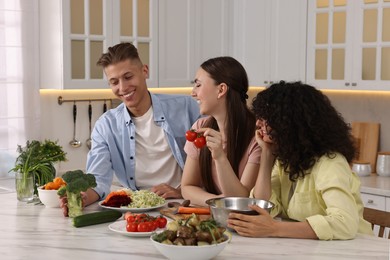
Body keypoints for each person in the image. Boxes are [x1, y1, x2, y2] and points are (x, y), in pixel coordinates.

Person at [60, 42, 200, 216]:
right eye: (114, 82)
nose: (123, 88)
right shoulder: (106, 125)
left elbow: (210, 162)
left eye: (128, 77)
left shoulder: (186, 107)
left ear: (145, 71)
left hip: (182, 205)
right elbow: (98, 178)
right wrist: (84, 197)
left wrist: (182, 190)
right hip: (135, 208)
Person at [227, 81, 373, 240]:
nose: (258, 123)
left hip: (353, 250)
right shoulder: (286, 161)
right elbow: (262, 206)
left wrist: (275, 228)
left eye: (266, 118)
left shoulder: (331, 163)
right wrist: (267, 155)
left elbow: (344, 223)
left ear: (289, 123)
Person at [181, 56, 261, 206]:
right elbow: (187, 187)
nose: (193, 93)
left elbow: (241, 200)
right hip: (214, 215)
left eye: (198, 85)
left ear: (221, 89)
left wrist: (219, 156)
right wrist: (217, 202)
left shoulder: (257, 136)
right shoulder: (199, 128)